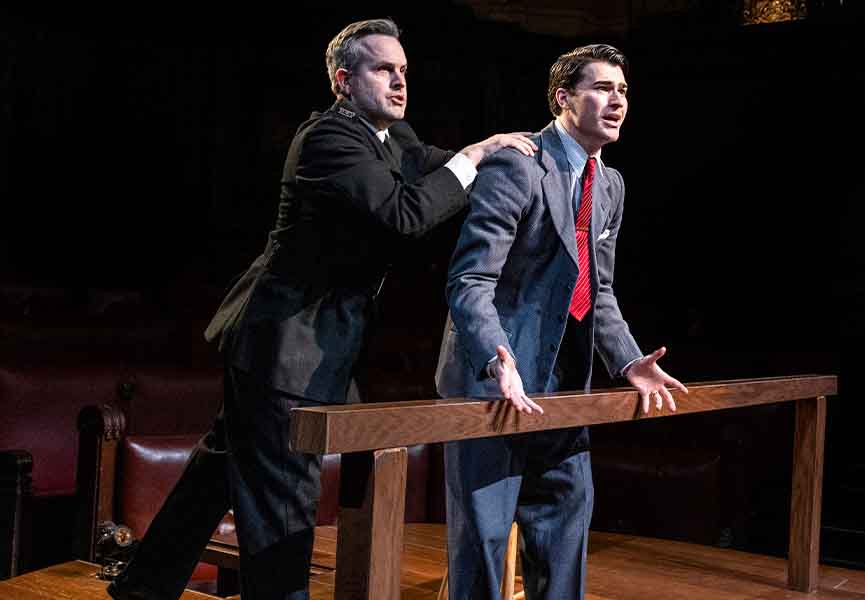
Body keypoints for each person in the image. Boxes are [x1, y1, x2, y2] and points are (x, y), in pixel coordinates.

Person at [107, 18, 536, 600]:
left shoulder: (392, 138)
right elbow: (405, 214)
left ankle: (142, 586)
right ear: (343, 80)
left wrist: (514, 163)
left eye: (404, 70)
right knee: (283, 502)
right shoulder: (329, 140)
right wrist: (474, 156)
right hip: (284, 348)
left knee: (220, 472)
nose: (400, 82)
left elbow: (443, 168)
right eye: (384, 69)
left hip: (303, 345)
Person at [434, 43, 687, 600]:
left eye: (622, 90)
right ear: (563, 98)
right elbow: (470, 280)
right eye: (601, 88)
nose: (616, 100)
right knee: (482, 551)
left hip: (564, 389)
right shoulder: (518, 164)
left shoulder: (611, 185)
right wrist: (495, 354)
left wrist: (628, 362)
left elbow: (597, 291)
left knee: (564, 535)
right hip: (494, 383)